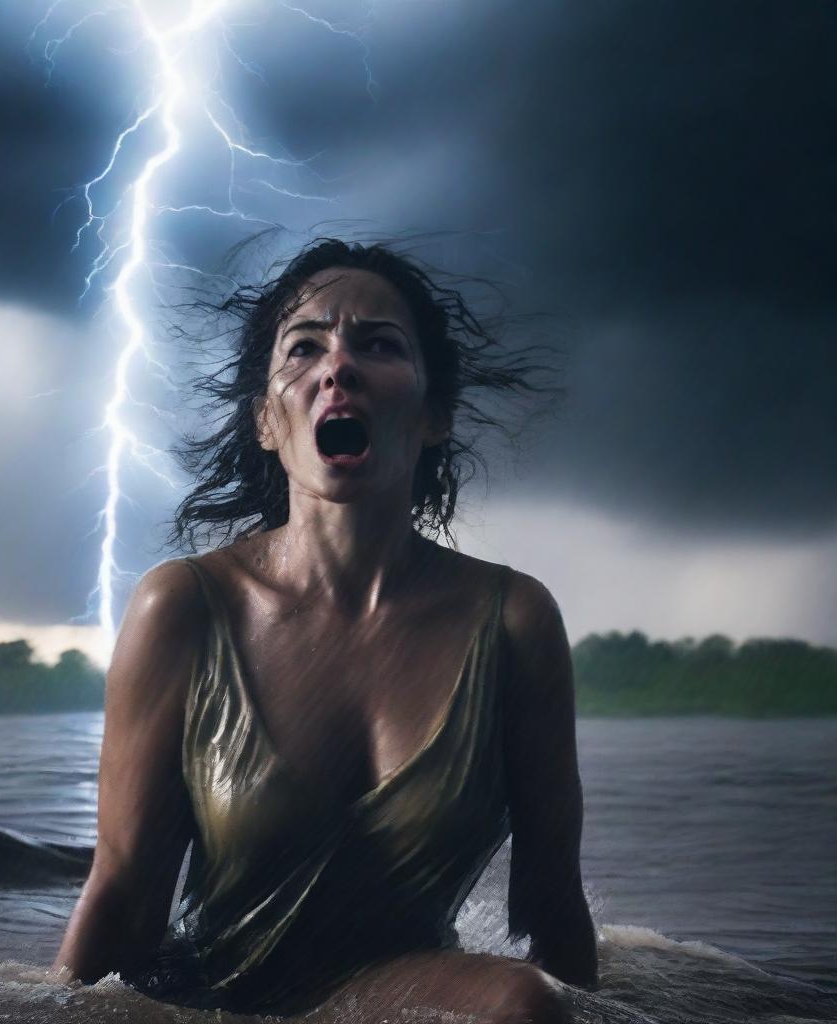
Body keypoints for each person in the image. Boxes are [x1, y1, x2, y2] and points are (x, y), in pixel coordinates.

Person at [51, 240, 598, 1022]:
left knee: (522, 1003)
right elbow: (122, 892)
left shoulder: (512, 621)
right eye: (304, 346)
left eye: (378, 344)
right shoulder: (184, 608)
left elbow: (554, 909)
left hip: (397, 994)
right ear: (267, 421)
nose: (336, 367)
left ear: (435, 411)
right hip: (209, 1002)